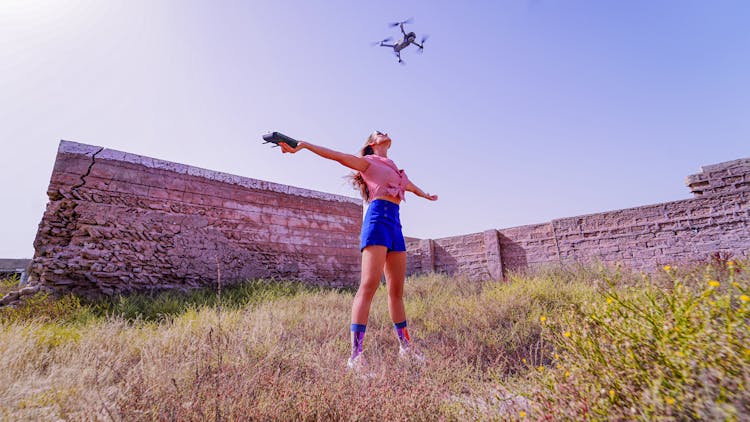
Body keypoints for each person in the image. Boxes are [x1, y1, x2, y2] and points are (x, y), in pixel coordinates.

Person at [279, 131, 438, 370]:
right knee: (369, 286)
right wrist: (303, 146)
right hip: (376, 222)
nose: (385, 132)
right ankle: (355, 357)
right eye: (378, 133)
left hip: (395, 225)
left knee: (396, 292)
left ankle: (405, 347)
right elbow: (338, 156)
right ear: (372, 144)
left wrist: (425, 195)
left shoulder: (394, 168)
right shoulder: (368, 162)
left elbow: (410, 186)